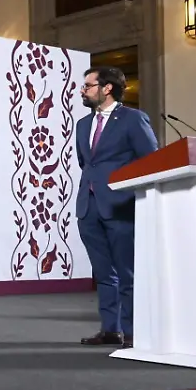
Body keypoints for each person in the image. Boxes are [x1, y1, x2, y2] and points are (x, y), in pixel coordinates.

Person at [75, 66, 158, 349]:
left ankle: (134, 332)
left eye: (88, 86)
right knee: (103, 273)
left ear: (107, 88)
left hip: (121, 205)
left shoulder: (133, 119)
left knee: (127, 273)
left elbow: (150, 161)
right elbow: (86, 163)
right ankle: (111, 329)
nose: (83, 91)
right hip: (89, 206)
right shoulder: (83, 125)